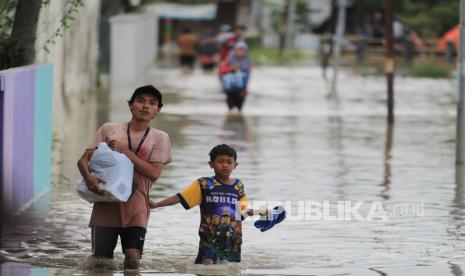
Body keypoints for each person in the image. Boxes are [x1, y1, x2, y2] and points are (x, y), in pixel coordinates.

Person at [77, 85, 172, 270]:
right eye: (140, 101)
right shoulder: (109, 129)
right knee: (100, 262)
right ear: (131, 105)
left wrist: (125, 151)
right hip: (105, 204)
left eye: (152, 103)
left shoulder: (160, 138)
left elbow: (154, 173)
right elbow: (83, 160)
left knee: (132, 260)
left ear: (157, 111)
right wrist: (89, 179)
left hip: (137, 207)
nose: (145, 106)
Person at [149, 144, 279, 265]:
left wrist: (263, 212)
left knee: (228, 269)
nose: (225, 165)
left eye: (229, 162)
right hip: (209, 238)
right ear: (211, 164)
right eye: (220, 161)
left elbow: (241, 213)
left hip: (232, 240)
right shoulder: (204, 184)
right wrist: (156, 204)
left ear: (235, 165)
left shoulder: (238, 186)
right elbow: (180, 197)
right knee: (207, 265)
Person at [219, 41, 251, 112]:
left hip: (241, 89)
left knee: (239, 109)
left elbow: (248, 75)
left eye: (242, 50)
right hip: (230, 88)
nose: (240, 52)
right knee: (231, 108)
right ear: (235, 50)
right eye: (238, 50)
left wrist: (245, 89)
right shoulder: (229, 59)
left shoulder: (247, 60)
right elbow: (221, 71)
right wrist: (231, 69)